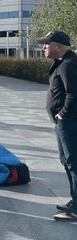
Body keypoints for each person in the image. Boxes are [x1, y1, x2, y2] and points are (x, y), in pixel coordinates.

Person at [39, 31, 77, 221]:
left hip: (69, 122)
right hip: (63, 122)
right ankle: (75, 200)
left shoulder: (68, 65)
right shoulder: (62, 63)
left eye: (46, 44)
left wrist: (62, 114)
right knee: (66, 161)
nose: (43, 47)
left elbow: (73, 93)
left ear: (58, 46)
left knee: (73, 162)